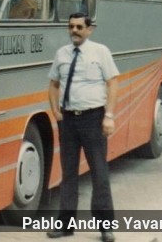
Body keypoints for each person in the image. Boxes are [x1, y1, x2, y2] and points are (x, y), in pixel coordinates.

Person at [46, 12, 119, 242]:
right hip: (68, 120)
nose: (74, 31)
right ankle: (65, 225)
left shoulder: (100, 52)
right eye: (71, 27)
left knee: (99, 172)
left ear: (89, 29)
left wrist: (108, 116)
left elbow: (113, 83)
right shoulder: (62, 54)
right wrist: (56, 112)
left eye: (79, 27)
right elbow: (54, 83)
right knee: (68, 173)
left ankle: (106, 227)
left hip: (93, 119)